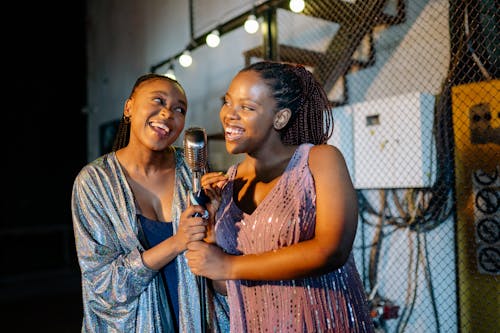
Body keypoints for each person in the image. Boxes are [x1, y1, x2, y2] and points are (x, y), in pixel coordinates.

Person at [186, 61, 375, 332]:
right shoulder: (228, 182)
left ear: (280, 118)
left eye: (247, 107)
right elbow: (226, 287)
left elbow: (332, 251)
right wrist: (212, 229)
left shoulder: (319, 160)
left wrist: (229, 265)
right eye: (228, 102)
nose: (229, 115)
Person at [71, 73, 229, 332]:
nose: (168, 113)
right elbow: (104, 285)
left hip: (199, 322)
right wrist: (177, 242)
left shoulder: (193, 171)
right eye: (158, 101)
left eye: (179, 109)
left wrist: (217, 223)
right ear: (129, 107)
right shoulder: (94, 182)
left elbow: (215, 264)